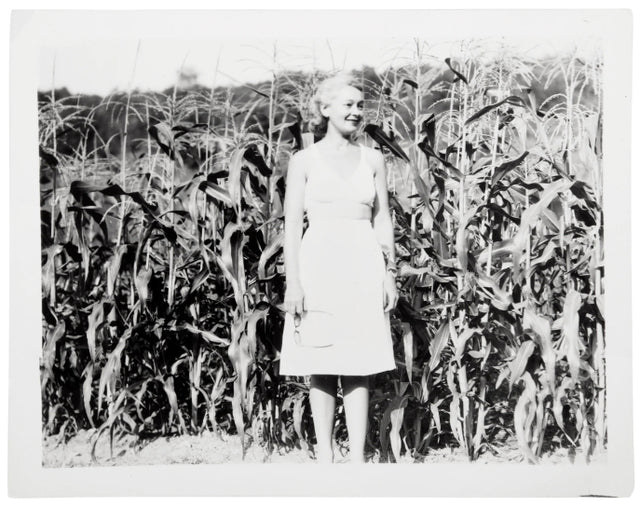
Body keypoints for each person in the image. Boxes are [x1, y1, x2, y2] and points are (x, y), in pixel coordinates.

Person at [278, 72, 398, 464]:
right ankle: (326, 454)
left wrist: (389, 273)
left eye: (360, 105)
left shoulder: (374, 159)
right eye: (347, 104)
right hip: (318, 262)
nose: (356, 111)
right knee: (321, 358)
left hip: (363, 260)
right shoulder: (304, 160)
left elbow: (382, 220)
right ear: (324, 109)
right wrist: (293, 282)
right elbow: (293, 224)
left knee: (360, 360)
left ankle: (358, 458)